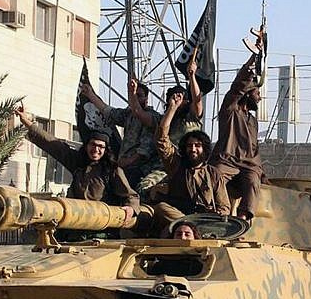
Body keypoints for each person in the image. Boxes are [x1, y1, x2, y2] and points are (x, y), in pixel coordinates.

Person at [15, 106, 139, 239]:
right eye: (93, 145)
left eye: (101, 146)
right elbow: (53, 144)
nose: (96, 149)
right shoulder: (78, 162)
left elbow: (131, 196)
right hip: (73, 229)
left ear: (106, 150)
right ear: (86, 146)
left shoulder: (111, 170)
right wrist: (27, 122)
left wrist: (130, 209)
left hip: (100, 233)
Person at [152, 90, 230, 234]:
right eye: (189, 146)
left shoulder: (213, 174)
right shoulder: (176, 164)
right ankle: (191, 226)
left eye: (197, 146)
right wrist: (172, 109)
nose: (193, 149)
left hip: (205, 219)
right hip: (178, 218)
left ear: (204, 149)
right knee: (161, 208)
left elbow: (224, 206)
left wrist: (217, 214)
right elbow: (161, 139)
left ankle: (195, 228)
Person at [210, 38, 264, 220]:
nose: (260, 97)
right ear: (248, 93)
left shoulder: (252, 121)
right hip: (226, 160)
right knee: (213, 176)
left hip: (248, 164)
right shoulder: (230, 111)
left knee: (253, 181)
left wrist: (260, 171)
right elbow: (237, 87)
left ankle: (242, 220)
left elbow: (254, 149)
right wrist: (253, 59)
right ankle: (221, 214)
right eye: (257, 93)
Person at [138, 60, 204, 194]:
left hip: (190, 162)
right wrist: (173, 108)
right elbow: (162, 133)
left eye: (183, 98)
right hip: (167, 164)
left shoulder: (191, 118)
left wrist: (192, 76)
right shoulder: (165, 118)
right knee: (144, 187)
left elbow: (197, 100)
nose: (180, 101)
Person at [81, 79, 159, 191]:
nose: (135, 98)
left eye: (139, 95)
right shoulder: (128, 115)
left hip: (139, 171)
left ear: (146, 99)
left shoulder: (152, 118)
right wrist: (90, 94)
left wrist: (125, 163)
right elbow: (107, 111)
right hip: (124, 168)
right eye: (133, 95)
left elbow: (144, 152)